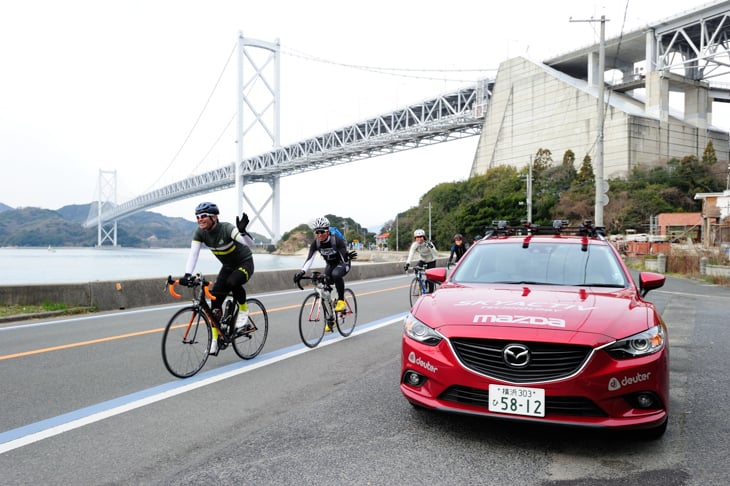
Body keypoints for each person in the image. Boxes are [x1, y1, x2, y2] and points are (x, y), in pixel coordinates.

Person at [180, 202, 255, 354]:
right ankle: (215, 339)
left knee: (233, 282)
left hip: (244, 263)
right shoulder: (200, 233)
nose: (199, 219)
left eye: (203, 216)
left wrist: (243, 232)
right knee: (214, 303)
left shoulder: (226, 228)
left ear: (214, 217)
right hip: (227, 267)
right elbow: (193, 254)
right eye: (197, 217)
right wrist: (187, 275)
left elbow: (250, 244)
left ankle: (243, 311)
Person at [293, 217, 355, 329]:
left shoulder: (336, 239)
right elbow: (309, 259)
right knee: (325, 286)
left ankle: (341, 300)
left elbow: (344, 257)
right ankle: (332, 319)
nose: (319, 235)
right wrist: (302, 272)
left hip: (343, 263)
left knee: (336, 275)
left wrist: (346, 257)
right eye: (317, 232)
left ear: (327, 231)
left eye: (322, 232)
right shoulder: (316, 243)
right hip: (330, 265)